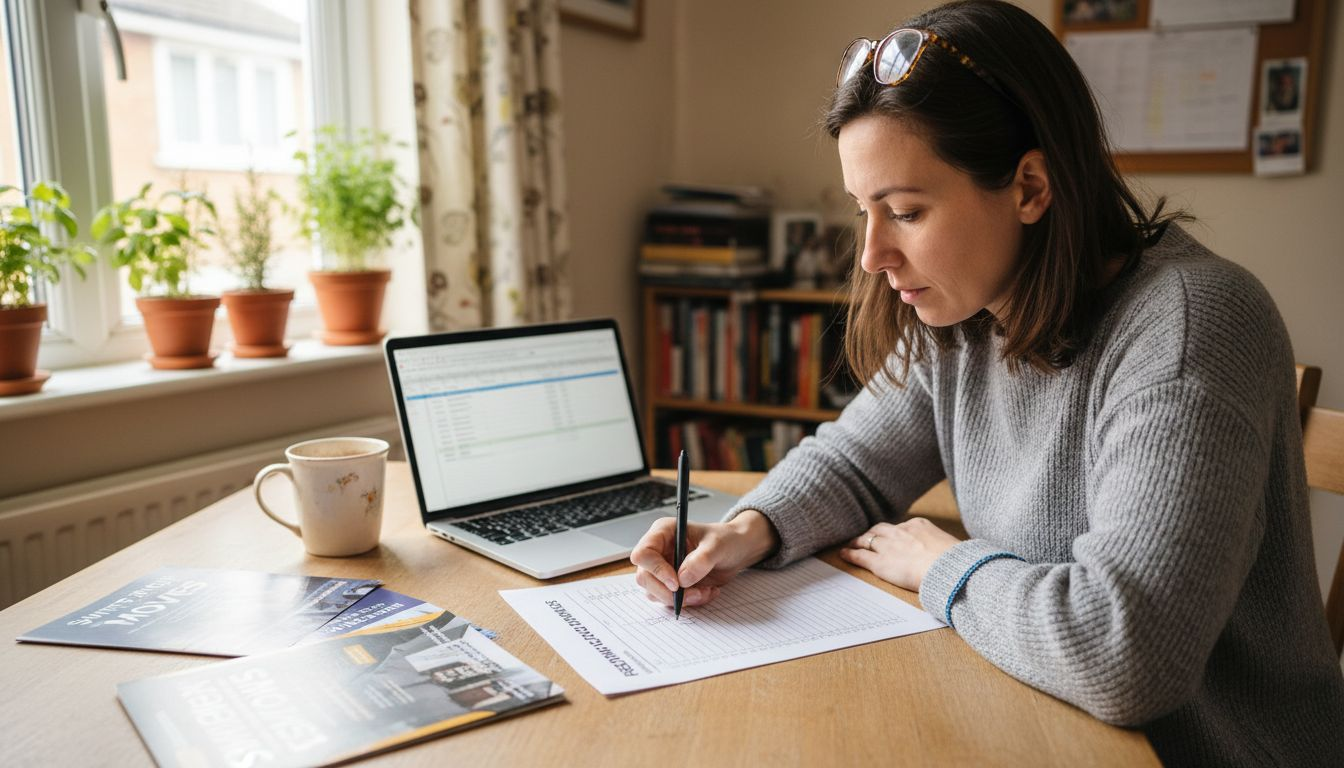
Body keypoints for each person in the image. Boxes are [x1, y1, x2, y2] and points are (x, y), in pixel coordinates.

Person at [629, 2, 1344, 765]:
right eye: (862, 210)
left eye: (905, 210)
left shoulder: (1192, 328)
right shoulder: (971, 313)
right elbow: (856, 461)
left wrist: (940, 565)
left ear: (1031, 187)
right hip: (1038, 716)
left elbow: (1126, 654)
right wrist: (746, 531)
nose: (872, 254)